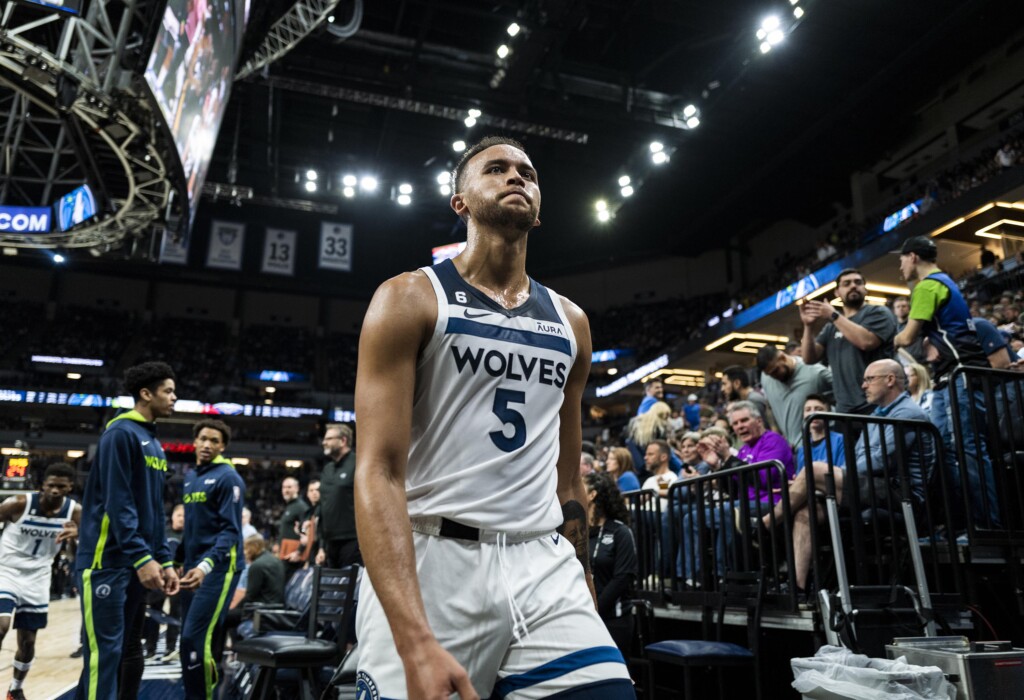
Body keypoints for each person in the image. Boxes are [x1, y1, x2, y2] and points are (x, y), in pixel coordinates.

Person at [353, 136, 633, 699]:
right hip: (433, 558)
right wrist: (412, 640)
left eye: (527, 173)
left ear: (539, 205)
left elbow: (566, 471)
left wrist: (579, 571)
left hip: (542, 563)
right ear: (460, 202)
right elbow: (377, 470)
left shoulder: (571, 322)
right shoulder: (409, 297)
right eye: (496, 169)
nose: (516, 178)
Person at [75, 361, 180, 700]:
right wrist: (141, 557)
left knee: (119, 653)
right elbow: (118, 504)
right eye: (168, 391)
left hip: (136, 563)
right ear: (146, 394)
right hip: (107, 562)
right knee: (104, 657)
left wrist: (163, 560)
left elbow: (154, 510)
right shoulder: (120, 433)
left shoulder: (152, 440)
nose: (174, 398)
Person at [780, 360, 934, 592]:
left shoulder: (908, 413)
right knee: (806, 510)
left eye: (869, 379)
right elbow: (858, 457)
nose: (863, 386)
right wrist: (839, 476)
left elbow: (879, 461)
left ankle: (767, 524)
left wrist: (838, 476)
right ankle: (797, 588)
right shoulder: (876, 415)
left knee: (816, 470)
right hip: (873, 487)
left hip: (901, 494)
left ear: (890, 380)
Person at [894, 235, 996, 529]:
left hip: (960, 374)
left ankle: (987, 526)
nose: (900, 266)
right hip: (949, 376)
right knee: (948, 451)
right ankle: (963, 524)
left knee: (969, 449)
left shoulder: (927, 286)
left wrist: (897, 337)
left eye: (901, 259)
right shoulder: (945, 282)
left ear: (912, 256)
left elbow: (907, 337)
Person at [680, 402, 794, 586]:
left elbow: (762, 479)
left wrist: (727, 458)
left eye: (744, 420)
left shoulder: (773, 441)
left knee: (729, 511)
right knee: (692, 518)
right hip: (743, 504)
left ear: (758, 420)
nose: (740, 426)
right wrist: (715, 466)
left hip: (772, 503)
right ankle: (691, 578)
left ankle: (724, 576)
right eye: (735, 423)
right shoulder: (743, 450)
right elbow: (732, 491)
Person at [178, 418, 245, 700]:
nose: (207, 444)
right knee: (190, 640)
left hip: (219, 567)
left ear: (223, 447)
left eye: (214, 441)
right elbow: (191, 528)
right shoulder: (191, 477)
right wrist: (176, 562)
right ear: (194, 442)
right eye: (203, 439)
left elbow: (231, 531)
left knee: (196, 639)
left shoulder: (228, 477)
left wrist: (205, 566)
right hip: (194, 567)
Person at [0, 463, 80, 700]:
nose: (55, 490)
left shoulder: (75, 512)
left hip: (38, 577)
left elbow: (80, 551)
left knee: (28, 641)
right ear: (42, 486)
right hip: (7, 571)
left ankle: (15, 688)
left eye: (61, 486)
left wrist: (78, 536)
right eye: (51, 485)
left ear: (69, 488)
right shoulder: (19, 503)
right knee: (1, 626)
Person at [758, 395, 846, 595]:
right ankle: (795, 585)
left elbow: (841, 474)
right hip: (809, 500)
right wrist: (794, 484)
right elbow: (802, 479)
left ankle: (766, 524)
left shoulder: (839, 440)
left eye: (818, 407)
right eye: (808, 409)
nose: (813, 412)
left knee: (785, 513)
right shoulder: (803, 446)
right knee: (800, 513)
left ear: (827, 413)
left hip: (833, 500)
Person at [800, 268, 897, 415]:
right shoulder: (830, 328)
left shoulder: (878, 312)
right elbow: (808, 358)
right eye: (846, 283)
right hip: (845, 410)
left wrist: (833, 315)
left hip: (877, 405)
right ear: (837, 293)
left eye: (858, 282)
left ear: (865, 290)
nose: (853, 286)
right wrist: (808, 326)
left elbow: (866, 342)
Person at [584, 472, 638, 657]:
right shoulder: (578, 533)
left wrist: (595, 609)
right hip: (583, 618)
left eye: (580, 485)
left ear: (592, 495)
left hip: (614, 619)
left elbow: (622, 578)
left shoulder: (619, 532)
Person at [757, 344, 832, 447]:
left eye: (775, 371)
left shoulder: (815, 372)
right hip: (792, 450)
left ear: (782, 357)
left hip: (819, 447)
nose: (774, 377)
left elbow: (842, 394)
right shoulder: (765, 377)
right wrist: (777, 433)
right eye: (770, 374)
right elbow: (769, 407)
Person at [315, 423, 361, 569]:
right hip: (330, 542)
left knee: (349, 587)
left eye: (329, 438)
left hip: (352, 539)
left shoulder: (357, 463)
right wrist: (322, 545)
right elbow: (323, 505)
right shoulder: (327, 469)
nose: (324, 442)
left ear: (343, 441)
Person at [625, 401, 682, 480]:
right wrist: (683, 467)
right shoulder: (658, 431)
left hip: (643, 474)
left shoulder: (636, 433)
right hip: (655, 474)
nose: (668, 420)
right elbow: (668, 455)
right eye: (666, 416)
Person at [277, 475, 305, 565]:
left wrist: (299, 551)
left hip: (293, 556)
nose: (286, 490)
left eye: (289, 487)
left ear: (297, 488)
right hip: (285, 553)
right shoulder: (290, 506)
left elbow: (307, 533)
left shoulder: (301, 507)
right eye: (284, 487)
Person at [893, 296, 927, 363]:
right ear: (894, 311)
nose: (901, 309)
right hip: (900, 363)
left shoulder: (917, 324)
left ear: (909, 309)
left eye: (903, 306)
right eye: (898, 307)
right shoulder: (892, 326)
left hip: (918, 362)